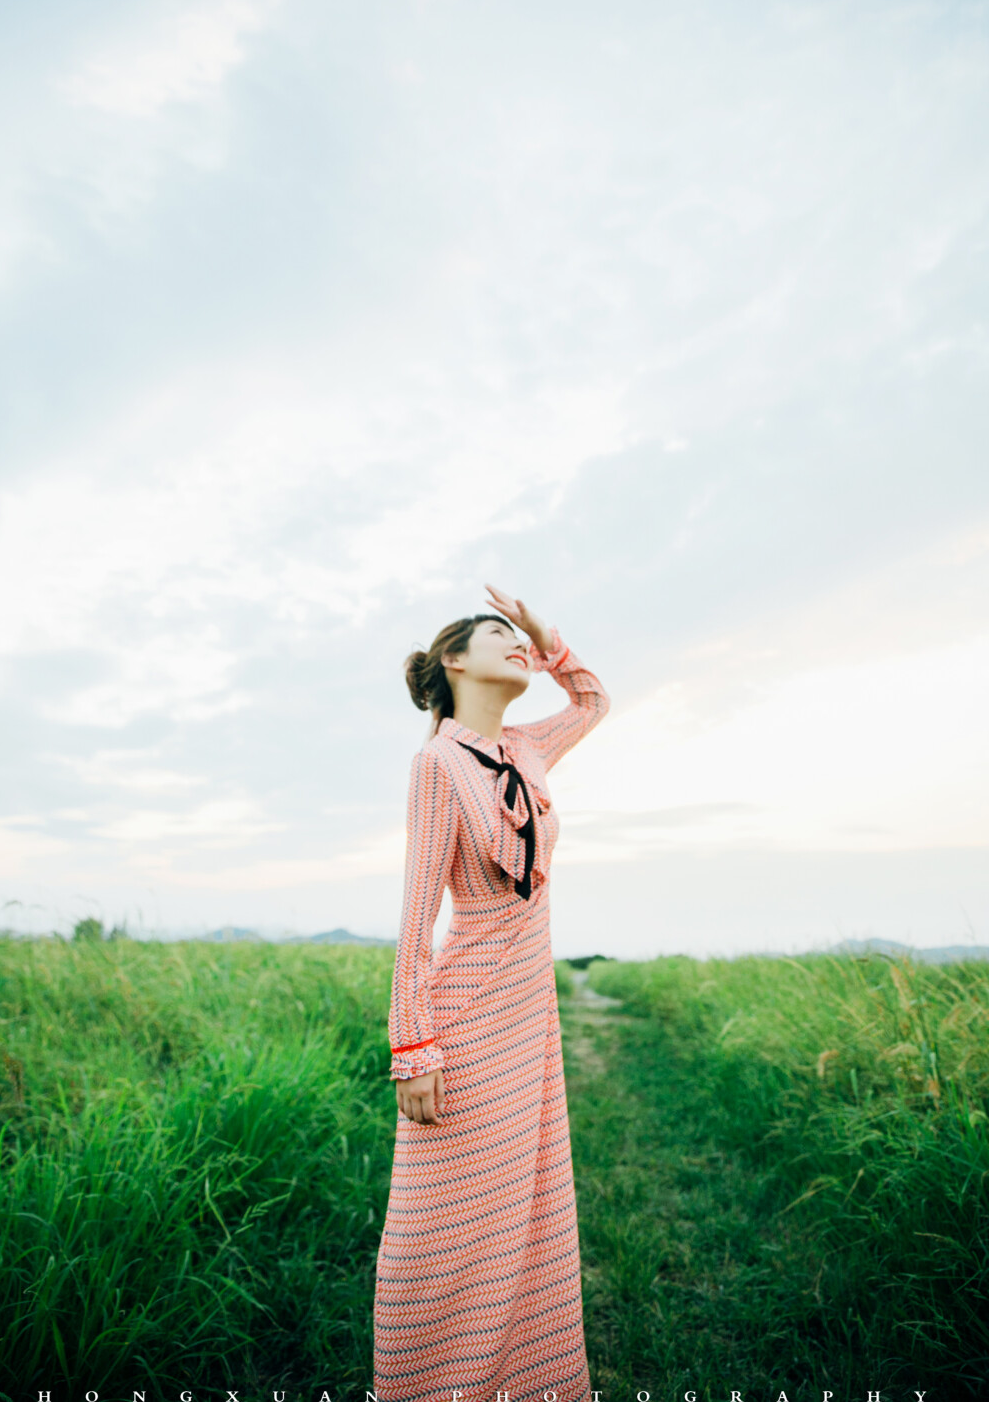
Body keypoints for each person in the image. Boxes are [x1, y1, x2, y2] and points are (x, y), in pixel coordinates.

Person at [372, 583, 610, 1402]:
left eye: (521, 638)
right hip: (466, 1016)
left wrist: (548, 634)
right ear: (454, 661)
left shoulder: (528, 748)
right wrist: (413, 1047)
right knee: (437, 1223)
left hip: (527, 1018)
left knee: (525, 1212)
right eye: (499, 634)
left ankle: (524, 1379)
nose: (518, 646)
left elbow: (593, 699)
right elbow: (415, 920)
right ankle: (427, 1382)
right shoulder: (436, 764)